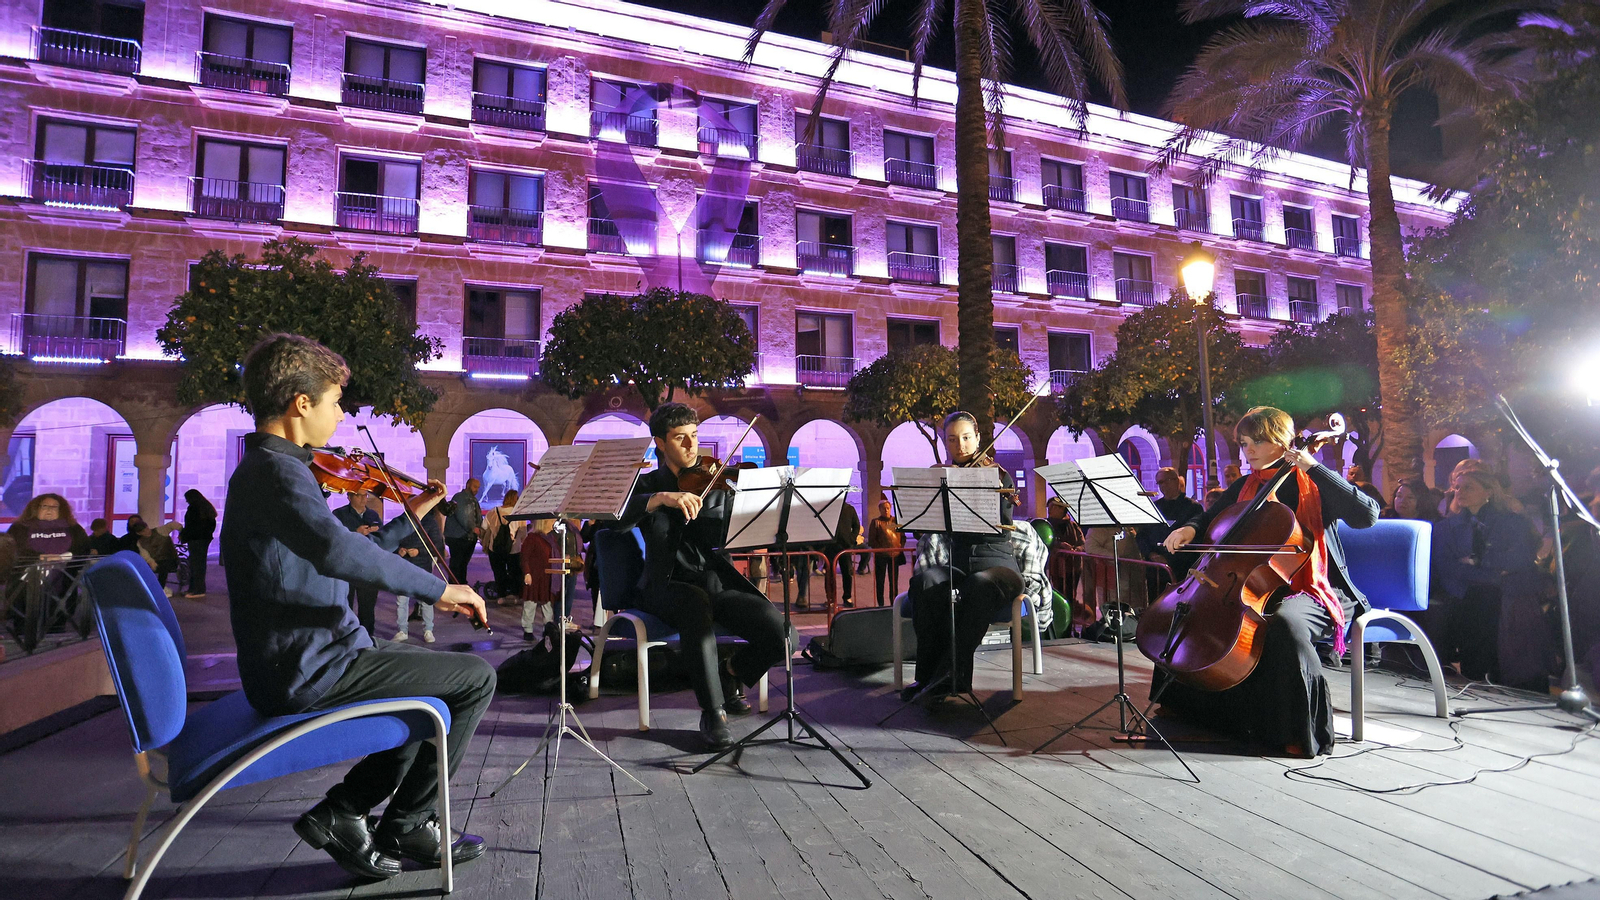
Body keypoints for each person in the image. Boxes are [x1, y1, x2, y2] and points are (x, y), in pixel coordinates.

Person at [221, 333, 492, 881]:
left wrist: (405, 517)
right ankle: (405, 821)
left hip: (317, 654)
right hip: (306, 667)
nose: (341, 415)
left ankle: (343, 813)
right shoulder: (275, 472)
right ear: (302, 404)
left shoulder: (278, 470)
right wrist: (441, 589)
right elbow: (335, 549)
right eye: (335, 401)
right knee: (475, 679)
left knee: (428, 688)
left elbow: (336, 550)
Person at [1158, 406, 1380, 758]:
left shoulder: (1313, 482)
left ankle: (1299, 731)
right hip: (1260, 586)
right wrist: (1190, 528)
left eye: (1258, 441)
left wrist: (1314, 467)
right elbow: (1210, 516)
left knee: (1284, 625)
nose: (1249, 451)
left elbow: (1368, 514)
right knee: (1193, 613)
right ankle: (1194, 708)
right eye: (1245, 443)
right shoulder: (1248, 485)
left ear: (1283, 440)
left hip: (1317, 588)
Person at [612, 403, 787, 749]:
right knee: (694, 603)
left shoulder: (715, 482)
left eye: (694, 436)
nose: (693, 446)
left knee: (783, 635)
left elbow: (733, 537)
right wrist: (660, 499)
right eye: (681, 439)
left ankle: (731, 673)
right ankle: (713, 712)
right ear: (661, 443)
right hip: (664, 586)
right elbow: (613, 520)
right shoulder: (647, 485)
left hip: (714, 585)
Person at [902, 411, 1052, 701]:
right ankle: (927, 677)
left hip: (999, 567)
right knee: (925, 583)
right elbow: (925, 525)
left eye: (967, 437)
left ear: (978, 438)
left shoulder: (996, 475)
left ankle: (949, 675)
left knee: (979, 586)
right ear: (945, 442)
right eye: (953, 439)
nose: (961, 445)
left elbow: (995, 521)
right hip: (958, 566)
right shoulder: (941, 478)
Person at [1431, 467, 1547, 688]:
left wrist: (1479, 561)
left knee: (1512, 664)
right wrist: (1493, 574)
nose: (1460, 492)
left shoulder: (1512, 523)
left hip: (1508, 602)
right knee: (1474, 665)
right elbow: (1448, 568)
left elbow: (1519, 559)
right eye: (1457, 487)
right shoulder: (1446, 528)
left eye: (1468, 487)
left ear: (1489, 491)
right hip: (1466, 602)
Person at [1139, 467, 1204, 585]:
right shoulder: (1154, 508)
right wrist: (1151, 554)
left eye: (1167, 480)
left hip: (1182, 567)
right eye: (1160, 482)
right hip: (1156, 568)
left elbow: (1196, 537)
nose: (1163, 485)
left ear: (1176, 481)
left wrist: (1169, 558)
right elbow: (1142, 535)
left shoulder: (1193, 507)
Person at [393, 506, 446, 643]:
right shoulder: (403, 521)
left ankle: (428, 630)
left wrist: (419, 551)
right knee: (402, 600)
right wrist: (399, 550)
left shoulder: (429, 522)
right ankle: (402, 630)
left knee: (426, 600)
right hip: (404, 566)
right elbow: (392, 541)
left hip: (422, 566)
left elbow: (437, 546)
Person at [334, 491, 384, 633]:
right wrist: (355, 533)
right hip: (347, 565)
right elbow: (335, 537)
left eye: (365, 495)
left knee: (367, 607)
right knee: (345, 605)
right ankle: (346, 635)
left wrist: (376, 532)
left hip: (368, 565)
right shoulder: (339, 514)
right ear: (349, 497)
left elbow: (381, 540)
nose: (363, 499)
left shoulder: (372, 515)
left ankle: (368, 638)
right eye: (358, 495)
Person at [481, 489, 524, 600]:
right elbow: (523, 534)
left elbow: (484, 527)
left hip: (495, 548)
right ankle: (514, 594)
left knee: (499, 572)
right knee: (514, 572)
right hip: (514, 549)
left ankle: (501, 596)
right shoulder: (519, 513)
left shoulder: (494, 511)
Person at [519, 519, 555, 640]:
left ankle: (548, 628)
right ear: (544, 522)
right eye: (551, 521)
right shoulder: (532, 538)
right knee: (530, 603)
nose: (554, 522)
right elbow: (524, 557)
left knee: (547, 603)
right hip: (534, 575)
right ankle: (527, 629)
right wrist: (527, 573)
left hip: (547, 575)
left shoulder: (551, 537)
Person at [866, 498, 905, 606]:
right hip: (881, 556)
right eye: (884, 508)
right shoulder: (876, 522)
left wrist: (900, 546)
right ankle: (881, 603)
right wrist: (881, 549)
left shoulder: (895, 521)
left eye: (888, 508)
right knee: (880, 581)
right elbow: (872, 540)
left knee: (893, 581)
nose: (886, 510)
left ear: (890, 508)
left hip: (895, 555)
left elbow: (902, 536)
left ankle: (894, 603)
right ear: (880, 509)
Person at [179, 490, 217, 598]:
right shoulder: (206, 508)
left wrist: (184, 535)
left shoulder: (194, 509)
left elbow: (191, 526)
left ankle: (197, 590)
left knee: (196, 564)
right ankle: (195, 588)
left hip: (195, 539)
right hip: (203, 539)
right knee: (198, 564)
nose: (186, 501)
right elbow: (211, 525)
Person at [443, 478, 482, 584]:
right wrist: (473, 528)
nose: (477, 490)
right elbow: (464, 516)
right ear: (468, 485)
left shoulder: (473, 500)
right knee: (457, 563)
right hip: (458, 537)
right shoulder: (460, 497)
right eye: (475, 487)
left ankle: (461, 583)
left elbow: (477, 515)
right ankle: (455, 584)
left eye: (478, 487)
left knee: (463, 563)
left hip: (468, 537)